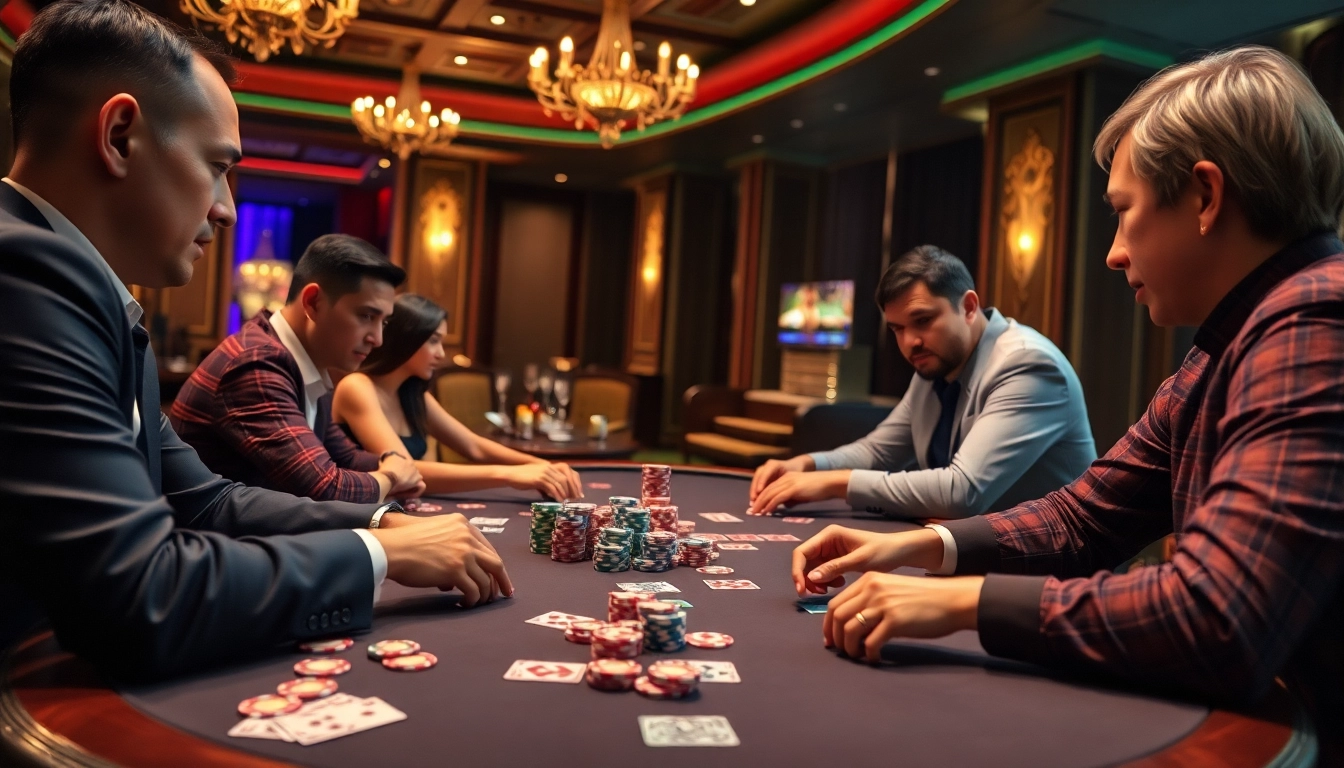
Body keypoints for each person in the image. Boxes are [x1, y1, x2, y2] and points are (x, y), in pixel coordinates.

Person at [789, 46, 1344, 760]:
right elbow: (1087, 515)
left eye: (1123, 213)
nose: (1113, 253)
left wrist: (964, 602)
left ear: (1205, 197)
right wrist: (925, 547)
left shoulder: (1316, 320)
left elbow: (1218, 616)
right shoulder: (1229, 340)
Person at [0, 0, 510, 680]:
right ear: (120, 135)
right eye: (217, 166)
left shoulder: (89, 294)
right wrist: (379, 559)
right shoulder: (26, 275)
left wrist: (386, 524)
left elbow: (208, 500)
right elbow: (142, 596)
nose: (227, 208)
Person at [749, 246, 1095, 519]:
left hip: (1059, 576)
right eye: (898, 328)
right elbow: (879, 451)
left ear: (969, 306)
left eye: (923, 320)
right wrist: (807, 465)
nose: (909, 342)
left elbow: (962, 492)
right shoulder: (935, 365)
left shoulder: (1026, 365)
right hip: (986, 551)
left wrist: (834, 482)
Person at [171, 234, 425, 504]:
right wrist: (392, 478)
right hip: (212, 539)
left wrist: (392, 463)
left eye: (383, 322)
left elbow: (346, 458)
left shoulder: (307, 362)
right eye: (366, 316)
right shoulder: (256, 363)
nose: (377, 338)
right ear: (313, 302)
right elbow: (324, 487)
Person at [331, 293, 584, 500]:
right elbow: (405, 471)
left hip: (405, 506)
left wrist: (541, 466)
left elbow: (473, 447)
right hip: (363, 514)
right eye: (433, 341)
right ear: (405, 340)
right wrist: (509, 475)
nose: (441, 353)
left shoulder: (412, 393)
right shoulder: (357, 387)